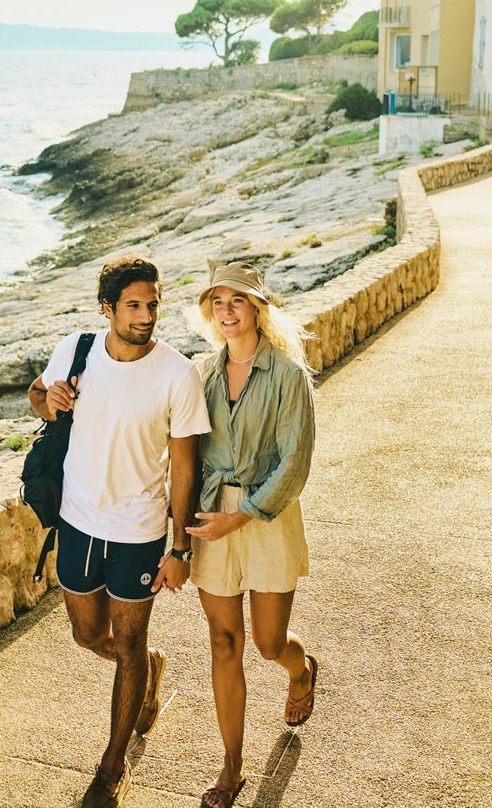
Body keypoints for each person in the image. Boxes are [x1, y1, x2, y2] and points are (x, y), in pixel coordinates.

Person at [27, 255, 211, 808]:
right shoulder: (76, 350)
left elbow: (185, 468)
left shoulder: (179, 374)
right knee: (87, 635)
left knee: (129, 642)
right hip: (78, 521)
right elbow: (37, 395)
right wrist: (49, 400)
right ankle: (149, 668)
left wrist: (180, 547)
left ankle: (111, 766)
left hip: (139, 530)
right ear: (107, 309)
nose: (146, 315)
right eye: (133, 305)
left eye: (152, 304)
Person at [185, 261, 319, 808]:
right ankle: (231, 766)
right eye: (218, 303)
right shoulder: (203, 375)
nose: (227, 311)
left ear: (258, 309)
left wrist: (240, 517)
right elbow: (182, 451)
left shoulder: (288, 374)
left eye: (237, 301)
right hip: (211, 516)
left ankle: (301, 669)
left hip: (266, 517)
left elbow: (295, 464)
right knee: (223, 643)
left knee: (266, 642)